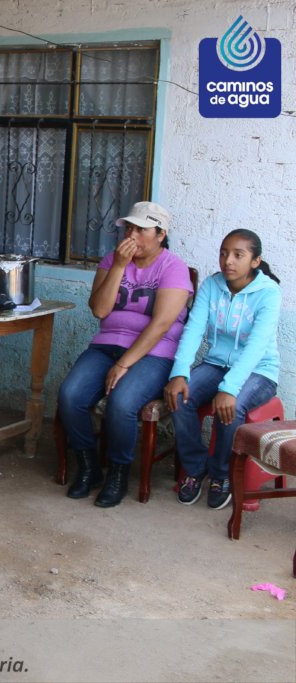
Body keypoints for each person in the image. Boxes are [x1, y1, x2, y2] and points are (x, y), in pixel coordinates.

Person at [57, 201, 193, 507]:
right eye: (129, 228)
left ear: (160, 234)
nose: (131, 235)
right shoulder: (111, 261)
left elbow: (160, 325)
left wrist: (124, 364)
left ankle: (118, 473)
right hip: (107, 345)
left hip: (154, 353)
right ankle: (89, 466)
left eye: (141, 229)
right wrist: (118, 266)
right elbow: (100, 309)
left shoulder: (173, 268)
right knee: (70, 395)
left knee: (121, 403)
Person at [164, 229, 281, 510]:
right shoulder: (211, 285)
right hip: (216, 364)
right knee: (179, 396)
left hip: (259, 370)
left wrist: (229, 388)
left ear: (255, 261)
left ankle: (221, 474)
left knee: (233, 406)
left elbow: (255, 347)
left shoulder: (269, 293)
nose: (228, 260)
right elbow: (193, 330)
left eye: (238, 255)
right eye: (224, 253)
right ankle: (195, 467)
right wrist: (179, 372)